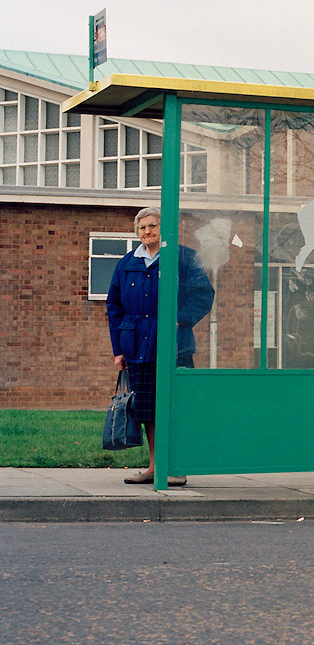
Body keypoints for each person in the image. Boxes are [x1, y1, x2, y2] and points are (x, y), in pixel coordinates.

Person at [106, 206, 214, 486]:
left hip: (173, 346)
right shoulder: (127, 263)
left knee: (174, 407)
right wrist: (118, 349)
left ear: (163, 229)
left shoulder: (184, 257)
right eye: (142, 227)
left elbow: (203, 294)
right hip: (136, 347)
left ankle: (175, 467)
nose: (147, 231)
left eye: (153, 226)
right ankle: (155, 467)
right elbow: (114, 306)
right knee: (147, 409)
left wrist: (179, 321)